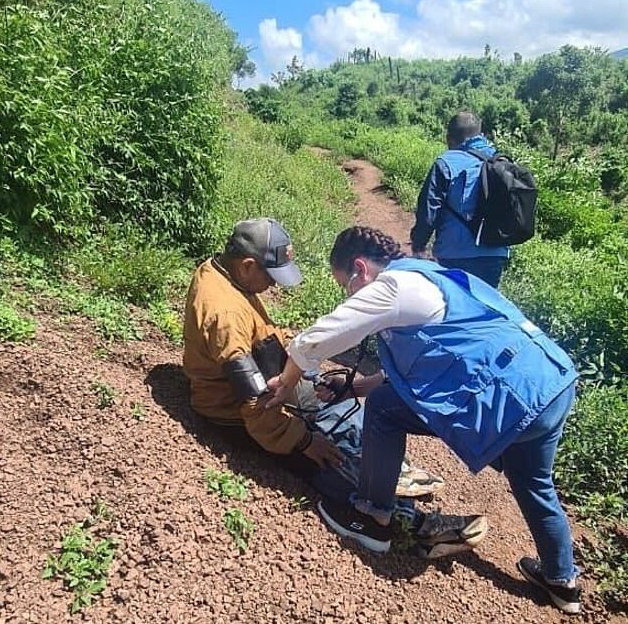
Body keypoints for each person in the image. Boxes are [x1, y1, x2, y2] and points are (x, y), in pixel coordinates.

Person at [267, 226, 581, 615]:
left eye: (344, 286)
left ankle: (372, 519)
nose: (348, 295)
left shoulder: (391, 287)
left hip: (511, 398)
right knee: (534, 482)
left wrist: (286, 382)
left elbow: (315, 339)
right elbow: (427, 370)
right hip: (550, 384)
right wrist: (353, 388)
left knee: (382, 409)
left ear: (359, 269)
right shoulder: (431, 276)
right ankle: (561, 581)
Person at [183, 218, 485, 556]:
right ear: (249, 265)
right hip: (235, 413)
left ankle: (384, 469)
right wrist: (304, 440)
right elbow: (255, 405)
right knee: (328, 463)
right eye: (271, 277)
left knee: (336, 401)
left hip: (269, 379)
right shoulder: (224, 313)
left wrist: (302, 372)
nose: (273, 286)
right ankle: (415, 525)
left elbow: (261, 334)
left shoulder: (228, 275)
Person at [410, 112, 509, 288]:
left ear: (449, 139)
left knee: (455, 308)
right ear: (482, 136)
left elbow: (429, 211)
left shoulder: (446, 163)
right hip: (495, 255)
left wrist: (418, 245)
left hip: (454, 254)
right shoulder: (502, 162)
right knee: (485, 308)